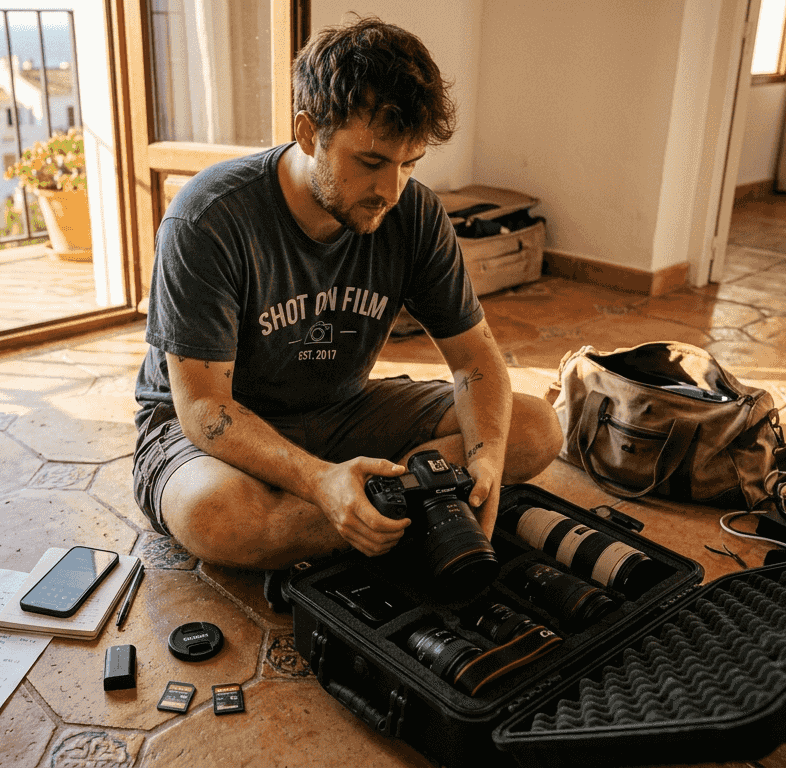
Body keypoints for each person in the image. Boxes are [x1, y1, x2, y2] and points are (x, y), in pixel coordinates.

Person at [131, 17, 563, 575]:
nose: (391, 190)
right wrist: (319, 479)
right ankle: (394, 510)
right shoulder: (208, 217)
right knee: (219, 515)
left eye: (410, 163)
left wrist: (485, 465)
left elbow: (476, 361)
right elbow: (201, 408)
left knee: (532, 430)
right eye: (371, 162)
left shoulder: (414, 212)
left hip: (343, 409)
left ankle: (365, 514)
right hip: (217, 430)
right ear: (310, 133)